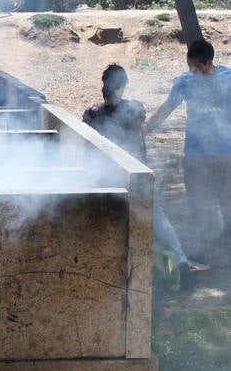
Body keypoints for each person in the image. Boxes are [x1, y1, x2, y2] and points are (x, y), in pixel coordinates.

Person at [83, 64, 201, 287]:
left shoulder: (91, 114)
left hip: (108, 181)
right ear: (122, 87)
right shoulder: (135, 108)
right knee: (158, 221)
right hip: (137, 177)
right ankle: (181, 262)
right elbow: (138, 117)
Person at [144, 39, 231, 261]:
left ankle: (227, 247)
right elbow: (167, 108)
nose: (190, 70)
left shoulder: (228, 78)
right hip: (195, 155)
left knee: (227, 202)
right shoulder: (184, 81)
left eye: (194, 66)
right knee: (198, 203)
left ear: (208, 62)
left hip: (226, 154)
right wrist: (145, 130)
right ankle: (200, 249)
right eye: (188, 65)